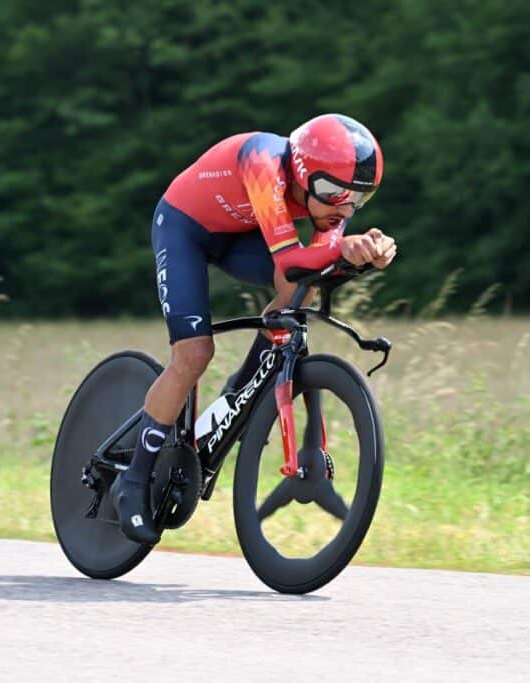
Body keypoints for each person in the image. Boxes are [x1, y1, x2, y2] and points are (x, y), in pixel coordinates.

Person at [118, 113, 398, 543]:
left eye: (357, 201)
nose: (343, 208)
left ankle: (245, 386)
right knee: (194, 354)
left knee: (302, 288)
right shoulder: (263, 160)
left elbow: (317, 262)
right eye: (333, 195)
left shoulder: (331, 193)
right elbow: (288, 260)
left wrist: (362, 254)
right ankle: (134, 482)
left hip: (242, 233)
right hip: (184, 229)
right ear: (304, 174)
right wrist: (341, 248)